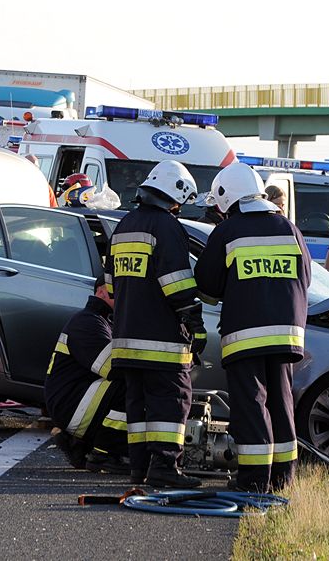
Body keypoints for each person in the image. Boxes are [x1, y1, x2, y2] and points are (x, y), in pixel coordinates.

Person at [195, 163, 312, 493]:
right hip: (287, 336)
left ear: (227, 198)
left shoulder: (228, 231)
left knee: (251, 406)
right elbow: (305, 277)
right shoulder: (289, 228)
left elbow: (206, 284)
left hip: (245, 335)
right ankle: (282, 480)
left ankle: (254, 483)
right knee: (281, 403)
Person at [105, 160, 205, 488]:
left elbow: (109, 286)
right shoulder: (167, 228)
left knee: (137, 407)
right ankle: (165, 467)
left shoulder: (123, 227)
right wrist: (194, 321)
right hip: (162, 341)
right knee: (171, 401)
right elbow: (175, 283)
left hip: (125, 339)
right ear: (174, 197)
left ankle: (139, 469)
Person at [44, 275, 128, 473]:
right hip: (71, 404)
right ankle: (104, 453)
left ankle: (80, 445)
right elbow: (112, 368)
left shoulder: (101, 320)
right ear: (100, 290)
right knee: (130, 386)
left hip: (74, 400)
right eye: (118, 288)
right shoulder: (88, 322)